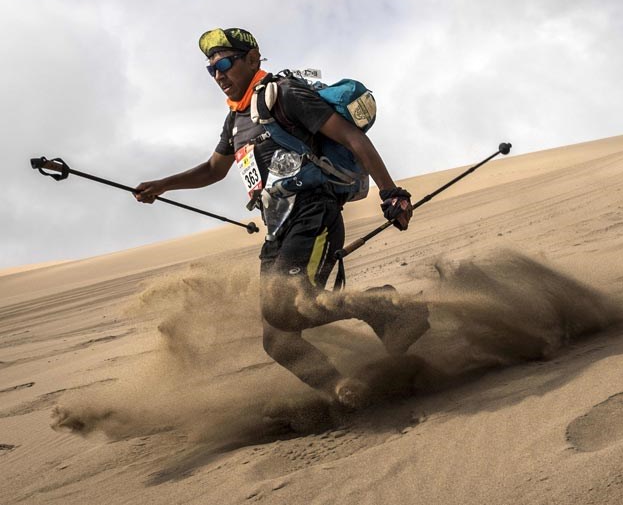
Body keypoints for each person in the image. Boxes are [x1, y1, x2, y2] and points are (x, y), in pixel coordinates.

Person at [135, 28, 429, 409]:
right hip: (278, 228)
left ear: (252, 59)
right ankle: (342, 388)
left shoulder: (283, 94)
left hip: (312, 212)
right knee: (277, 339)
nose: (218, 74)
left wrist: (390, 193)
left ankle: (384, 307)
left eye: (224, 63)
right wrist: (163, 185)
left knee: (291, 308)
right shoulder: (236, 119)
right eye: (211, 70)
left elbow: (352, 138)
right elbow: (213, 169)